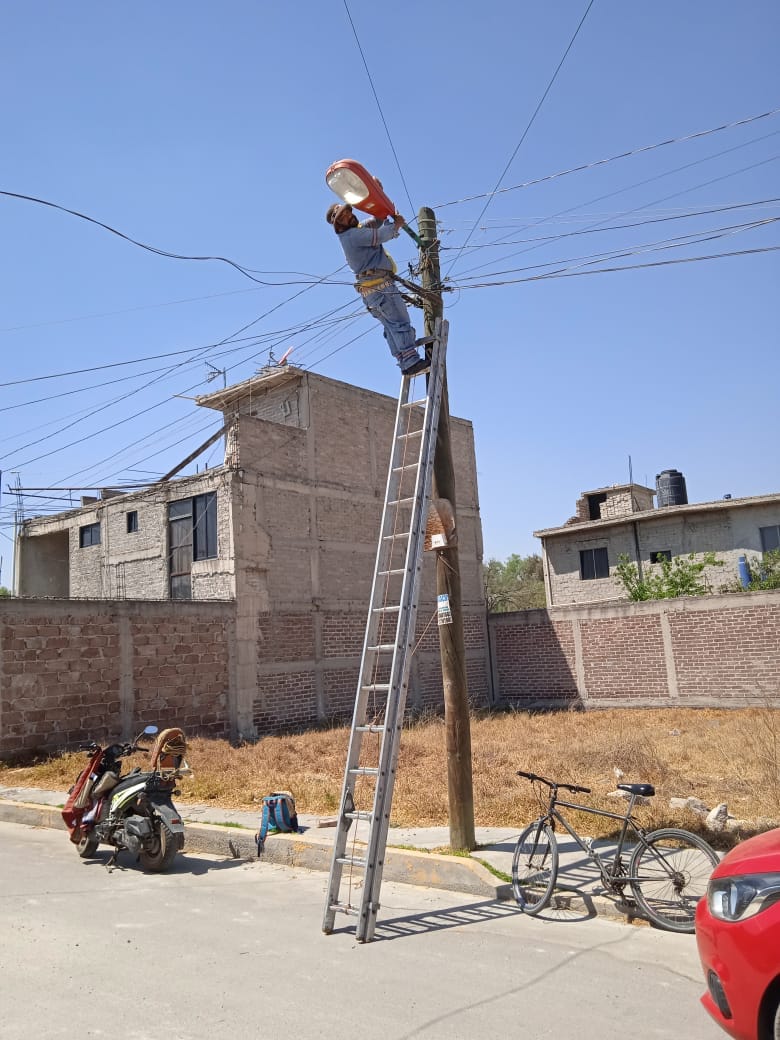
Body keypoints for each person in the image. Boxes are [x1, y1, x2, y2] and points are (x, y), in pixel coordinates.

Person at [326, 203, 429, 376]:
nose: (349, 217)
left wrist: (377, 197)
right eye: (342, 218)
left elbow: (377, 221)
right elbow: (382, 234)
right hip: (380, 286)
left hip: (371, 291)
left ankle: (404, 361)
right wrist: (396, 224)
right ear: (339, 225)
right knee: (399, 322)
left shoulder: (355, 231)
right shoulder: (352, 235)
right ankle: (410, 361)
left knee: (391, 326)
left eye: (348, 213)